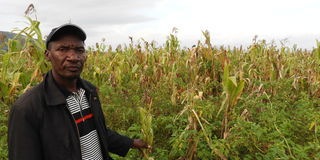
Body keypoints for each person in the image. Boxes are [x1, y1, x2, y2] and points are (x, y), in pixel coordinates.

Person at [8, 24, 149, 160]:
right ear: (48, 55)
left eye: (79, 50)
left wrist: (130, 143)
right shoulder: (27, 108)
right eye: (63, 49)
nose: (73, 57)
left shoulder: (89, 91)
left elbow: (98, 132)